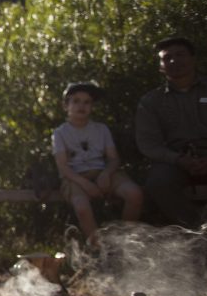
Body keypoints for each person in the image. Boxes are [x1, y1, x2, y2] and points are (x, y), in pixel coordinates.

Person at [135, 37, 207, 227]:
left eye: (180, 55)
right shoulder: (151, 101)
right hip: (177, 162)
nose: (173, 61)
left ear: (193, 58)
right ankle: (198, 233)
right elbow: (148, 144)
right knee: (158, 183)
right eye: (167, 58)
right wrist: (179, 160)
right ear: (160, 66)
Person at [52, 82, 143, 243]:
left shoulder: (101, 129)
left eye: (87, 102)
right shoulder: (60, 133)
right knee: (81, 207)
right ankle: (97, 250)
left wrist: (106, 174)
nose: (82, 106)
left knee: (134, 194)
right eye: (76, 101)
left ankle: (123, 243)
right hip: (75, 177)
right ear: (66, 105)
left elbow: (114, 159)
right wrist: (85, 184)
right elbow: (63, 167)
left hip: (102, 172)